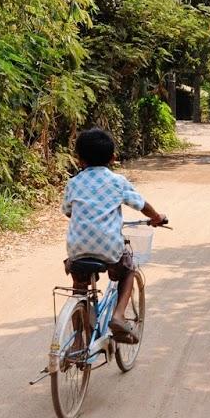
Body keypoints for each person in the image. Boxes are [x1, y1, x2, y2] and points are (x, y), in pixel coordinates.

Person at [62, 129, 166, 343]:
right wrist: (156, 217)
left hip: (77, 247)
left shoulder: (73, 183)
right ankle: (118, 316)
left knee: (79, 287)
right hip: (108, 247)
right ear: (113, 158)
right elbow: (141, 205)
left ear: (79, 159)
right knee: (128, 269)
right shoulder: (117, 182)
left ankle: (78, 342)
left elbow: (68, 211)